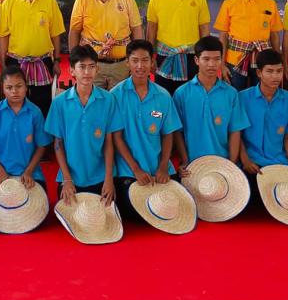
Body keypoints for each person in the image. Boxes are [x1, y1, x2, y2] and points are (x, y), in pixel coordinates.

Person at [110, 39, 181, 219]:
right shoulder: (115, 96)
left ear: (152, 62)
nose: (140, 66)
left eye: (145, 60)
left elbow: (168, 134)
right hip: (128, 170)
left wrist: (163, 166)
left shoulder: (163, 96)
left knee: (171, 207)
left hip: (159, 169)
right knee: (134, 213)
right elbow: (117, 138)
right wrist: (136, 170)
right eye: (135, 61)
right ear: (127, 62)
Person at [45, 45, 122, 206]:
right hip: (71, 177)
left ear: (97, 69)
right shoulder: (59, 103)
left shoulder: (108, 100)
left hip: (100, 176)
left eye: (91, 66)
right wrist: (67, 180)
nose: (87, 72)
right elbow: (58, 144)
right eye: (82, 67)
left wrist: (108, 179)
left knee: (104, 212)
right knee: (70, 211)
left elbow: (109, 142)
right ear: (72, 70)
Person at [0, 0, 65, 116]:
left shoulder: (49, 1)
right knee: (16, 103)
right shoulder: (9, 3)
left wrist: (56, 60)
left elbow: (55, 34)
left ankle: (42, 132)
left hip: (42, 61)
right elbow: (3, 36)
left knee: (43, 105)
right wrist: (2, 64)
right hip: (16, 62)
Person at [173, 36, 250, 171]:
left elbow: (235, 131)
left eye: (217, 59)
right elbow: (177, 132)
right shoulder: (181, 94)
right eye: (206, 59)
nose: (212, 64)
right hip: (193, 164)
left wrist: (231, 164)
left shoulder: (231, 94)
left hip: (223, 163)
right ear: (197, 60)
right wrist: (185, 160)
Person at [68, 0, 144, 90]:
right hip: (91, 65)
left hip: (121, 65)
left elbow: (136, 29)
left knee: (119, 101)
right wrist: (74, 61)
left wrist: (137, 60)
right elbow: (74, 32)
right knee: (93, 100)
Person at [146, 0, 211, 94]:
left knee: (190, 96)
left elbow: (204, 29)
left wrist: (205, 57)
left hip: (191, 56)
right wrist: (150, 56)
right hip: (164, 56)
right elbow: (151, 28)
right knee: (163, 96)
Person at [237, 49, 288, 198]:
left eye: (279, 71)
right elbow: (237, 134)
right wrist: (245, 161)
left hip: (279, 162)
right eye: (269, 71)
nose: (275, 76)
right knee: (251, 198)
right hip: (252, 163)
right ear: (259, 73)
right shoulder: (243, 98)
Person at [0, 63, 51, 191]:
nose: (14, 91)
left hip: (31, 174)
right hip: (0, 174)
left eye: (19, 86)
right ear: (3, 89)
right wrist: (1, 171)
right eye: (9, 87)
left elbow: (41, 146)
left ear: (26, 87)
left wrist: (29, 171)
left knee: (38, 201)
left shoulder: (35, 112)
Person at [215, 0, 282, 91]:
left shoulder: (270, 3)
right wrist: (222, 64)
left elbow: (274, 34)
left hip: (263, 59)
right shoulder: (229, 3)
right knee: (235, 94)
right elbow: (223, 36)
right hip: (235, 59)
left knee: (262, 94)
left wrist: (277, 61)